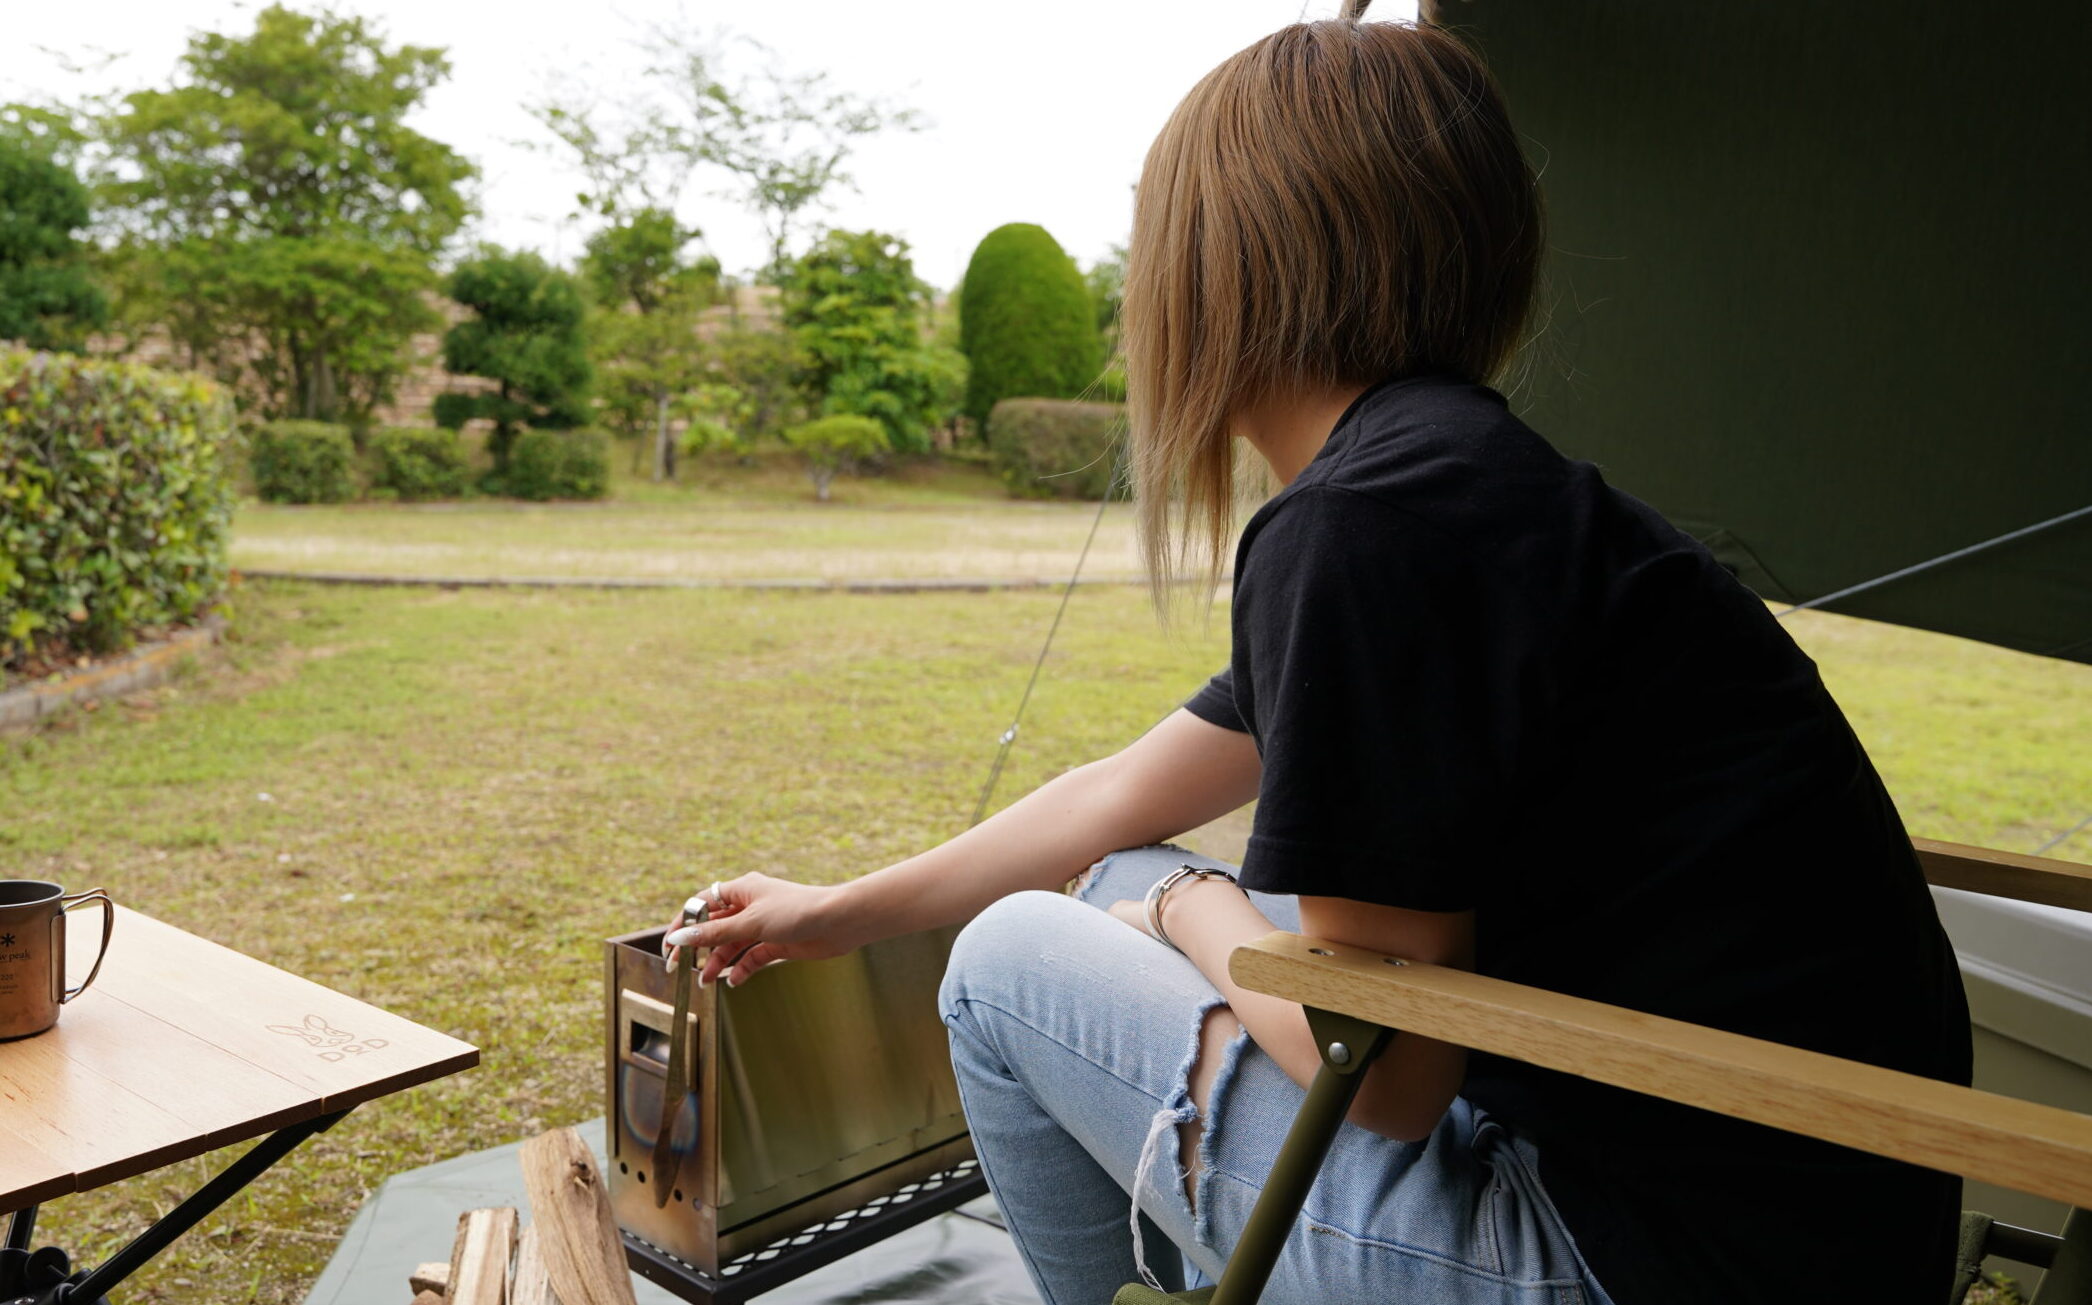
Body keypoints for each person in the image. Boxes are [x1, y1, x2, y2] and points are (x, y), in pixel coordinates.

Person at [662, 18, 1972, 1305]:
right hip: (1796, 1225)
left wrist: (1187, 905)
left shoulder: (1368, 524)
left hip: (1636, 1261)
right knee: (1119, 864)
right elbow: (1118, 794)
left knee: (1010, 965)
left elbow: (1387, 1074)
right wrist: (832, 909)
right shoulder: (1457, 486)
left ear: (1216, 269)